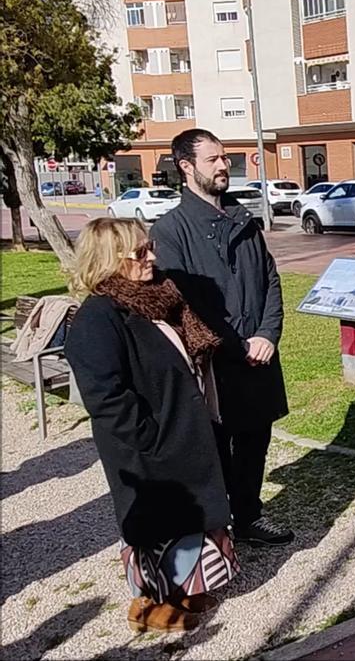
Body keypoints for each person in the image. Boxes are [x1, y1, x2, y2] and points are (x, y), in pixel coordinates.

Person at [65, 218, 237, 632]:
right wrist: (150, 436)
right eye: (140, 252)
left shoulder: (156, 299)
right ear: (110, 259)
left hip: (181, 430)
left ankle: (181, 588)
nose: (152, 258)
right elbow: (104, 396)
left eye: (150, 247)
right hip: (148, 445)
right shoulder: (98, 317)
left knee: (186, 515)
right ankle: (148, 604)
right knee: (154, 522)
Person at [150, 129, 292, 547]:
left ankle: (248, 515)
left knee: (255, 440)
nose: (223, 165)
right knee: (213, 447)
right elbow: (185, 302)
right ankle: (215, 528)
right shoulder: (171, 230)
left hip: (258, 354)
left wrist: (267, 334)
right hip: (213, 363)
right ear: (186, 167)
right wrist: (236, 345)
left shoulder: (243, 220)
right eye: (213, 159)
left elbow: (270, 280)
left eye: (224, 157)